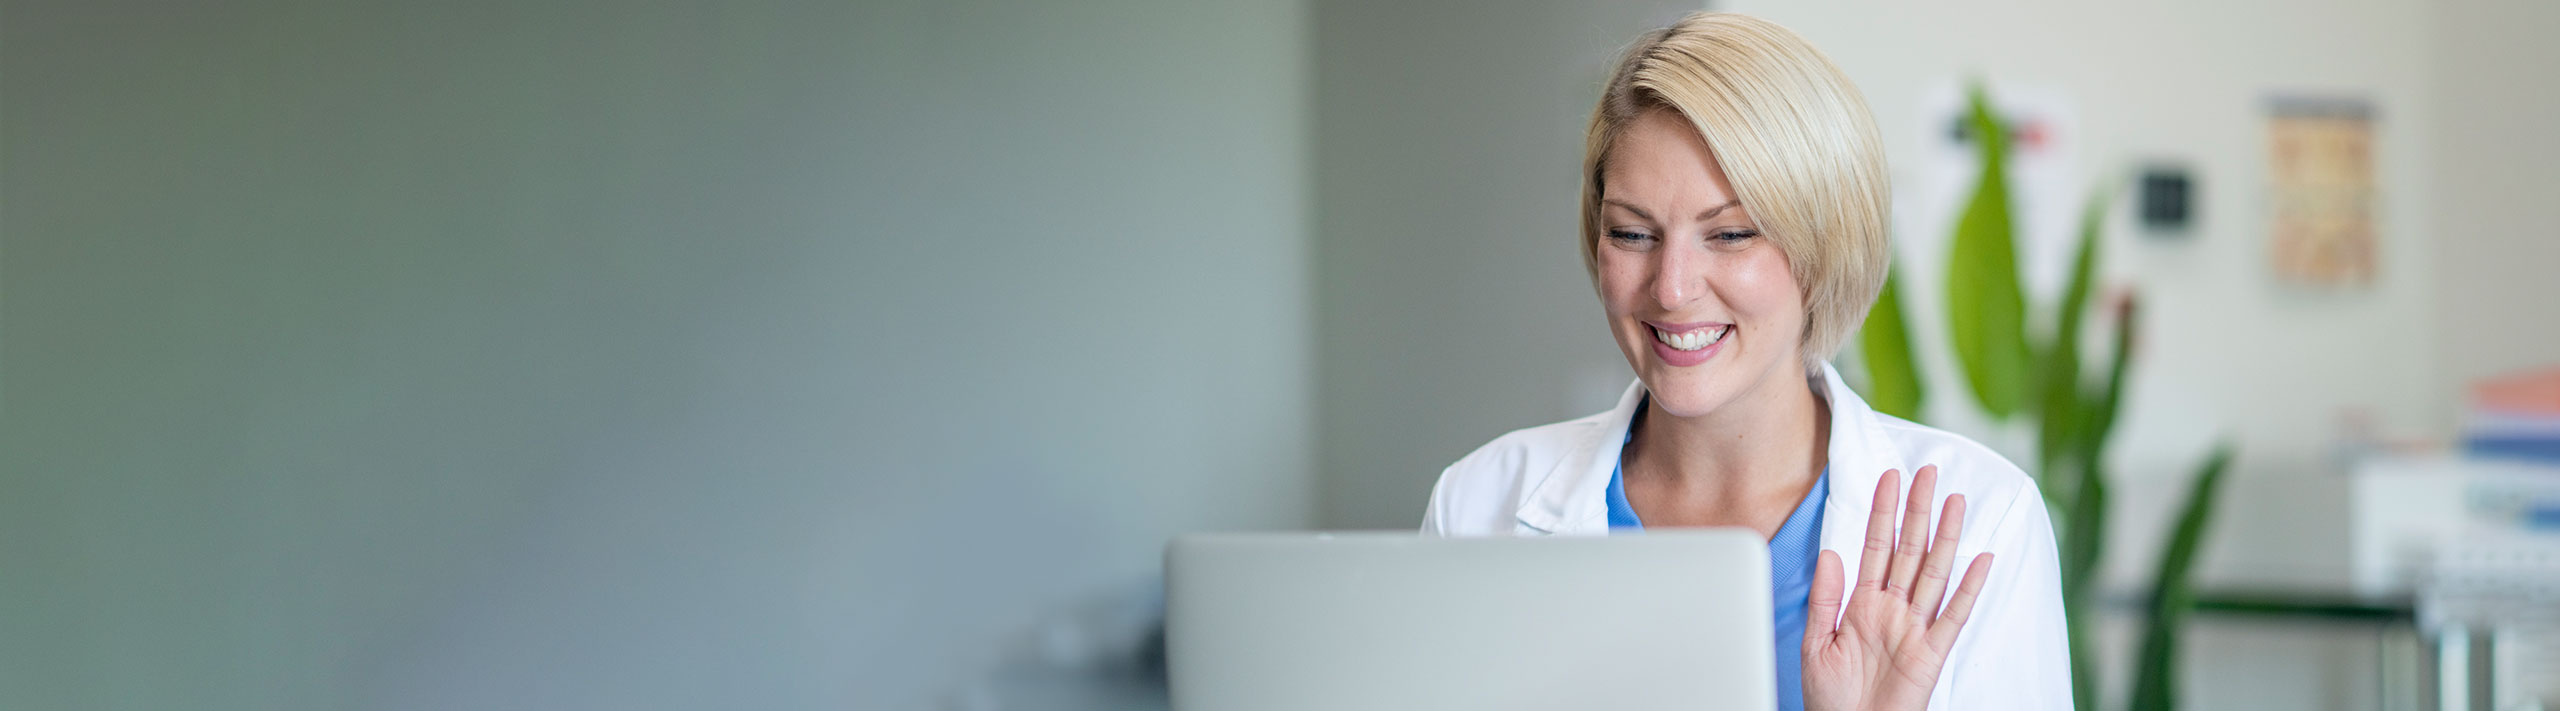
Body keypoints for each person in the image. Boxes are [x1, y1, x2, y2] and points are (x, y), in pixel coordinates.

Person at [1419, 12, 2072, 711]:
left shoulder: (1980, 521)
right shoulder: (1480, 504)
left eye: (1729, 234)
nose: (1672, 288)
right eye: (1633, 233)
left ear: (1820, 250)